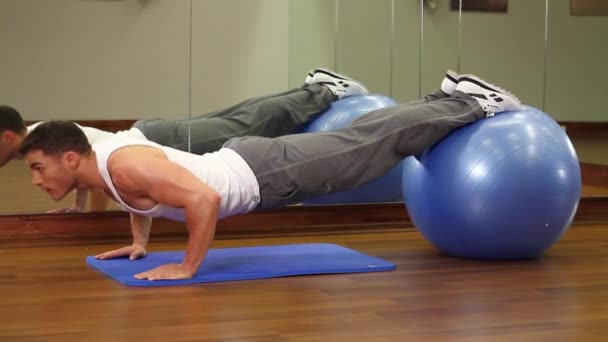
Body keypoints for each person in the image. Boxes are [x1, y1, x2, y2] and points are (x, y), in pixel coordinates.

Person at [19, 71, 522, 281]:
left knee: (368, 148)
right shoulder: (104, 164)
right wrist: (139, 243)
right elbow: (144, 195)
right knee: (363, 141)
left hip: (263, 174)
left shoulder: (122, 163)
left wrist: (188, 267)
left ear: (69, 158)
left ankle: (471, 100)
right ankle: (447, 99)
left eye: (38, 168)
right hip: (256, 166)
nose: (38, 181)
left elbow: (203, 201)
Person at [1, 68, 368, 212]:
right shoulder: (44, 138)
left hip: (155, 140)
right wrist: (80, 213)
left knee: (249, 121)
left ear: (6, 138)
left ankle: (324, 91)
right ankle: (312, 87)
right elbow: (87, 174)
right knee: (240, 117)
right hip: (152, 136)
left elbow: (91, 173)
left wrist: (85, 220)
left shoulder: (45, 140)